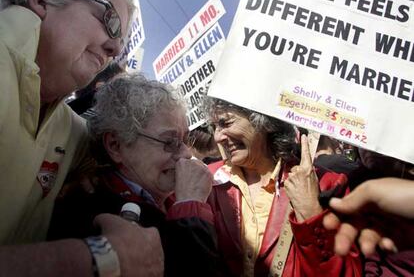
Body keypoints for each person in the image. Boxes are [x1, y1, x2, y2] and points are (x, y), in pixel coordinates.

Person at [0, 0, 163, 276]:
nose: (115, 50)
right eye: (110, 20)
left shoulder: (70, 130)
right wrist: (100, 258)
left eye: (123, 43)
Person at [48, 75, 221, 276]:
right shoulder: (87, 211)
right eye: (169, 141)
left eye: (185, 139)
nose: (186, 153)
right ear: (115, 145)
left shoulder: (175, 197)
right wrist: (191, 208)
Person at [203, 98, 362, 276]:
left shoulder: (326, 184)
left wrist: (311, 212)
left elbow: (345, 272)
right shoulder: (208, 183)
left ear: (262, 120)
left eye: (226, 123)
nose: (217, 136)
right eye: (214, 126)